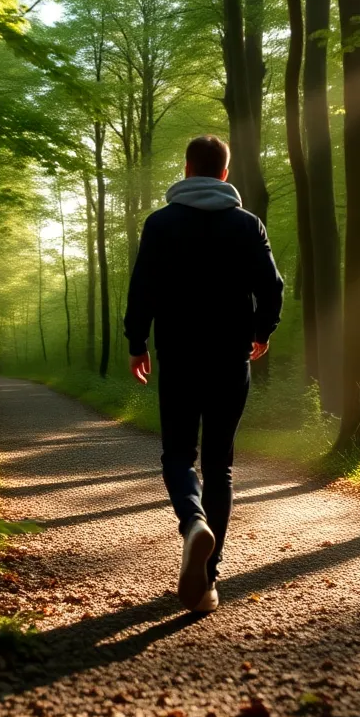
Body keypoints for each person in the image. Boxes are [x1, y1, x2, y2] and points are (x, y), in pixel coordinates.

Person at [124, 135, 284, 613]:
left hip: (178, 356)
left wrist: (137, 343)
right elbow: (272, 288)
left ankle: (193, 522)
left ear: (188, 167)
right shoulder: (247, 225)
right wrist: (262, 331)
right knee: (219, 463)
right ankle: (207, 583)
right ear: (225, 174)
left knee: (177, 452)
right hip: (231, 358)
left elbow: (143, 289)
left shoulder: (161, 223)